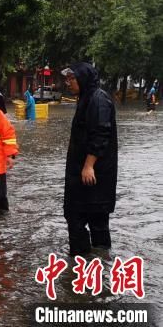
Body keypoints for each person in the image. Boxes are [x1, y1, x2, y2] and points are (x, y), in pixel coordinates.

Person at [61, 63, 118, 256]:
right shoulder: (86, 98)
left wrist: (89, 165)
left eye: (72, 79)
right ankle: (90, 262)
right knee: (82, 216)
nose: (68, 83)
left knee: (87, 218)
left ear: (83, 78)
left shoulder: (98, 100)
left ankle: (86, 261)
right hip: (83, 173)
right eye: (67, 79)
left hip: (94, 175)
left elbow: (101, 134)